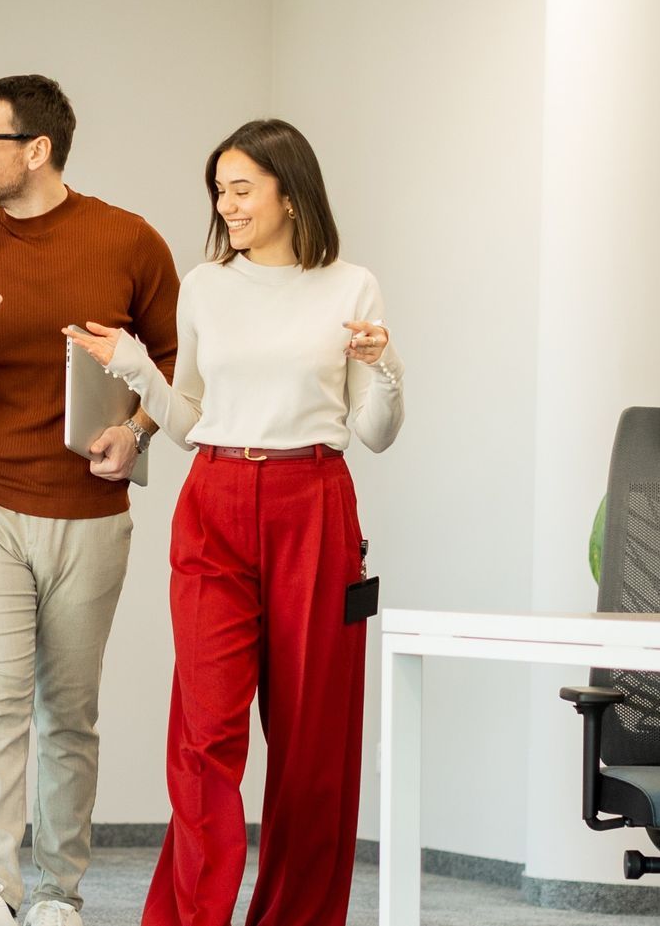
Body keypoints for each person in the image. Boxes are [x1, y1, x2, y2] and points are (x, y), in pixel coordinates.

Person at [66, 118, 404, 926]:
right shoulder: (207, 284)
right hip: (216, 501)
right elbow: (191, 421)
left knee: (312, 747)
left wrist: (383, 363)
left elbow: (377, 431)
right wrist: (136, 366)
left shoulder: (351, 286)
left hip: (315, 505)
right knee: (206, 733)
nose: (227, 202)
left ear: (291, 192)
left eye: (241, 186)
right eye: (219, 188)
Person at [0, 75, 181, 926]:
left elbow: (172, 370)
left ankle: (60, 891)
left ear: (37, 149)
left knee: (69, 711)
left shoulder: (130, 241)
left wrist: (135, 432)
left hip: (91, 513)